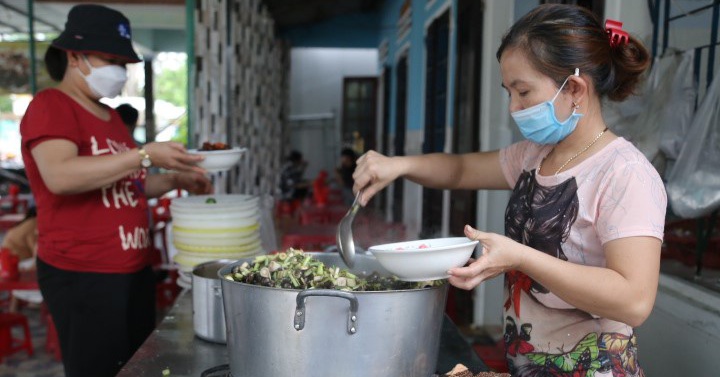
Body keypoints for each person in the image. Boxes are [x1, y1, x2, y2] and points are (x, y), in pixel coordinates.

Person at [352, 5, 665, 376]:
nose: (514, 108)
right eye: (509, 92)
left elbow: (634, 300)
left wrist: (520, 257)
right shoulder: (537, 155)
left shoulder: (625, 174)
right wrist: (399, 165)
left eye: (523, 92)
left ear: (576, 89)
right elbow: (460, 169)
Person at [19, 5, 213, 377]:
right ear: (75, 56)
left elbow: (130, 186)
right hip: (84, 273)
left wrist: (174, 180)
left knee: (135, 368)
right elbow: (60, 176)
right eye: (110, 59)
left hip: (133, 269)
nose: (119, 71)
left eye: (124, 62)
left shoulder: (109, 117)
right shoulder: (52, 106)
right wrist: (142, 155)